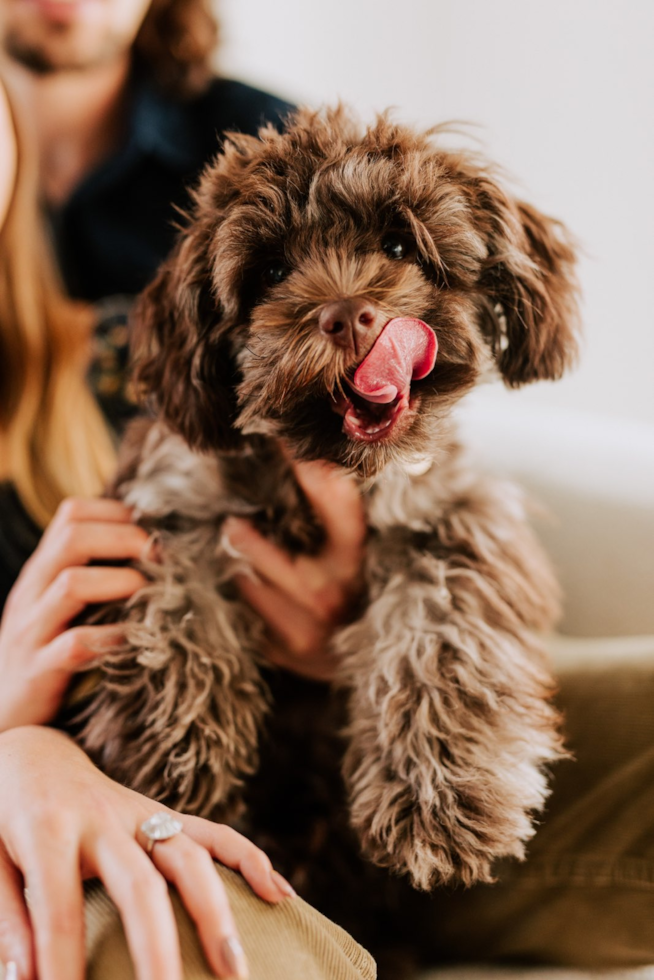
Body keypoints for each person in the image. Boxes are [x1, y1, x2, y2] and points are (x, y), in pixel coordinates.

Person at [1, 0, 653, 977]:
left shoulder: (229, 162)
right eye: (276, 274)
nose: (347, 303)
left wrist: (360, 615)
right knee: (166, 929)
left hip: (392, 719)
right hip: (91, 787)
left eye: (390, 252)